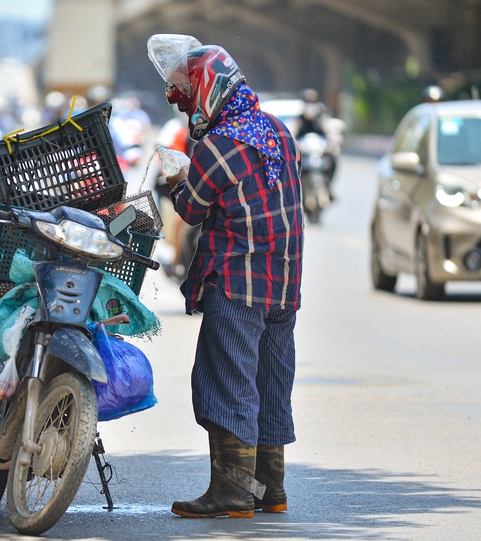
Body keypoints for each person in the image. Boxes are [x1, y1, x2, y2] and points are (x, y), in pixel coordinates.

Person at [147, 34, 303, 519]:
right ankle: (269, 490)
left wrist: (177, 178)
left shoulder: (219, 143)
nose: (185, 107)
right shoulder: (277, 130)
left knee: (229, 380)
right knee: (270, 381)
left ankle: (233, 493)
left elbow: (192, 210)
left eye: (187, 97)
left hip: (237, 282)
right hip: (283, 282)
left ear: (210, 91)